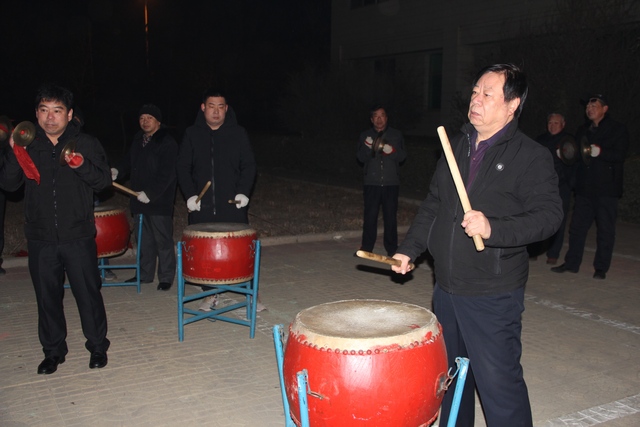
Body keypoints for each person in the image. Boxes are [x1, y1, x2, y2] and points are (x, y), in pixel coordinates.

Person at [391, 64, 562, 427]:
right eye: (474, 92)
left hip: (492, 294)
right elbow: (434, 204)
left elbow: (549, 217)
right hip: (446, 289)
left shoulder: (530, 156)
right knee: (452, 384)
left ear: (512, 105)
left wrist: (493, 228)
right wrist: (410, 248)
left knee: (500, 388)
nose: (476, 100)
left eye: (487, 94)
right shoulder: (457, 145)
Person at [0, 83, 111, 374]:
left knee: (88, 293)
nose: (50, 117)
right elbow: (9, 185)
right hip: (41, 237)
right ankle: (53, 351)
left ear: (69, 114)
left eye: (57, 110)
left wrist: (81, 165)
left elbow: (103, 182)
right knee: (47, 297)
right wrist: (14, 152)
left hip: (77, 235)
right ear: (36, 114)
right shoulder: (28, 144)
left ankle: (97, 345)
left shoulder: (86, 143)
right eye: (44, 110)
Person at [176, 89, 256, 311]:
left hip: (231, 204)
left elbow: (249, 165)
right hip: (202, 205)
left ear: (226, 109)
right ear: (203, 108)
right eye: (211, 106)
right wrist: (190, 195)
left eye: (221, 107)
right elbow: (182, 167)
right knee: (205, 254)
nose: (216, 111)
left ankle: (249, 292)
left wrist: (243, 192)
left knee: (238, 250)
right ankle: (209, 293)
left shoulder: (238, 133)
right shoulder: (192, 134)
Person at [551, 94, 629, 280]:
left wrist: (601, 152)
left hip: (606, 189)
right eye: (587, 106)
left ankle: (601, 268)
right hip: (585, 188)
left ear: (605, 109)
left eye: (594, 106)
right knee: (576, 228)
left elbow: (620, 155)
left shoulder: (617, 129)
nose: (589, 109)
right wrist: (565, 153)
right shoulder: (583, 129)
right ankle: (572, 263)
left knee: (605, 230)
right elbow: (577, 155)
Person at [112, 104, 178, 291]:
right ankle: (144, 274)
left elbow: (167, 173)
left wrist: (151, 193)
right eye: (142, 118)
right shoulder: (138, 140)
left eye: (150, 118)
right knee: (144, 240)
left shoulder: (167, 142)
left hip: (159, 201)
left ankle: (166, 277)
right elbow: (129, 161)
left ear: (158, 121)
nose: (145, 121)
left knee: (162, 240)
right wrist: (118, 170)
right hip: (138, 199)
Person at [356, 105, 406, 256]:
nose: (379, 119)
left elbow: (402, 157)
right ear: (371, 119)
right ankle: (366, 247)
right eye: (376, 116)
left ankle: (392, 248)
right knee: (370, 216)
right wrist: (370, 148)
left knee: (390, 217)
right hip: (372, 182)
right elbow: (360, 158)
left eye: (382, 115)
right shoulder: (365, 136)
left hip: (391, 182)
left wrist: (390, 151)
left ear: (386, 118)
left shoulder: (396, 135)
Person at [532, 112, 575, 264]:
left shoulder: (569, 140)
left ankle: (553, 253)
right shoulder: (541, 139)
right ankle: (535, 249)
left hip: (561, 186)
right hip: (541, 185)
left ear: (563, 124)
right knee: (537, 217)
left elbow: (574, 163)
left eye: (556, 123)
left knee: (559, 219)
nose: (552, 126)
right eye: (550, 123)